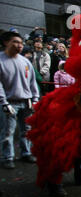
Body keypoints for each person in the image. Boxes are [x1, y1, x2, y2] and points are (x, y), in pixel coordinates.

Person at [0, 32, 39, 169]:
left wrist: (35, 99)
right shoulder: (1, 60)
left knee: (27, 130)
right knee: (8, 131)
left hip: (26, 101)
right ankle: (7, 157)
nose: (19, 45)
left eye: (21, 43)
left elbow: (33, 82)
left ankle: (26, 152)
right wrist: (3, 102)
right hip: (9, 102)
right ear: (6, 42)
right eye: (16, 42)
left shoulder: (25, 61)